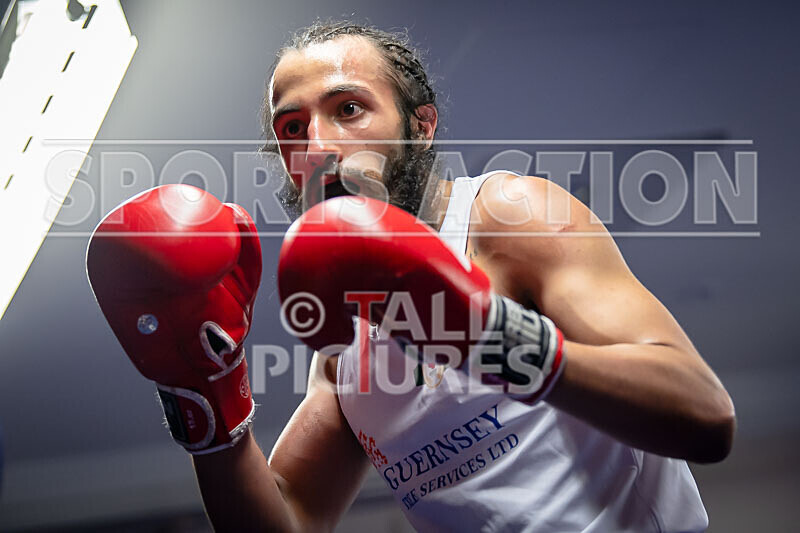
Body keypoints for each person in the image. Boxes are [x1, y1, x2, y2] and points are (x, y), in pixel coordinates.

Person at [87, 21, 735, 532]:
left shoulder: (508, 218)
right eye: (293, 127)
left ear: (420, 127)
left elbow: (705, 417)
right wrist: (207, 402)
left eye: (348, 108)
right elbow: (289, 516)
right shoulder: (342, 348)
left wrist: (485, 336)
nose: (318, 144)